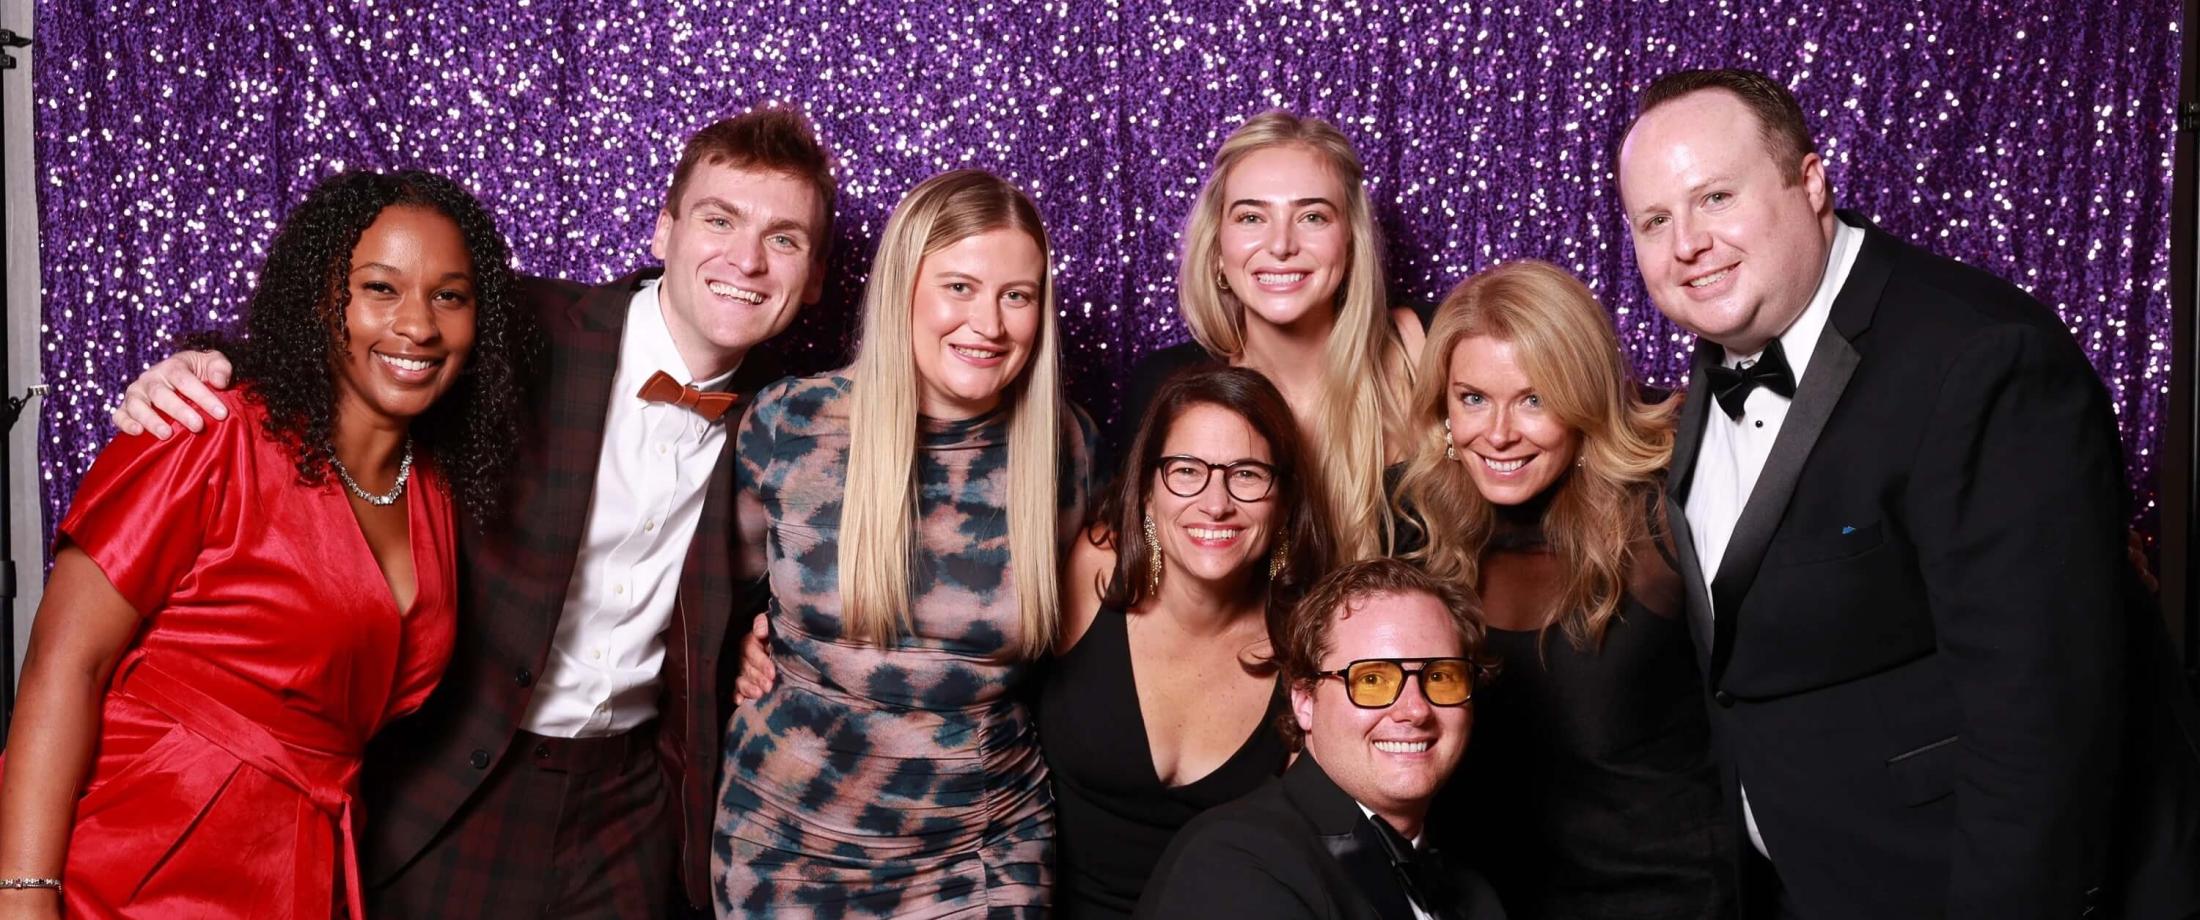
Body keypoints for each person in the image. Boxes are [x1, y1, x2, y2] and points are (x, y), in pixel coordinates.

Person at [105, 108, 838, 918]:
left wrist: (748, 637)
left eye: (785, 238)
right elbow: (376, 348)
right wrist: (212, 366)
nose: (747, 258)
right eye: (720, 219)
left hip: (631, 811)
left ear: (812, 277)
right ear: (664, 231)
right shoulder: (522, 328)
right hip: (455, 784)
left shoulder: (794, 426)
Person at [1617, 67, 2200, 918]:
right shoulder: (1717, 364)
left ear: (1811, 182)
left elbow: (2041, 726)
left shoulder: (1981, 360)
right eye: (1655, 221)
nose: (1687, 244)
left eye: (1715, 198)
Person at [0, 170, 531, 918]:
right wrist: (23, 898)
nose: (418, 325)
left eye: (450, 295)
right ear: (322, 299)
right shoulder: (206, 432)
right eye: (380, 287)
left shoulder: (437, 493)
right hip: (135, 862)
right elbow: (65, 664)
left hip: (303, 872)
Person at [715, 168, 1097, 917]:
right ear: (904, 289)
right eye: (959, 286)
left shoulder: (1066, 448)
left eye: (1016, 296)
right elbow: (706, 593)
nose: (988, 323)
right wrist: (728, 646)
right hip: (787, 844)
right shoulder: (790, 425)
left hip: (981, 853)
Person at [1395, 260, 1730, 918]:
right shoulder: (1416, 525)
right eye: (1472, 399)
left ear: (1582, 400)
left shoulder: (1662, 522)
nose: (1498, 433)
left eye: (1534, 399)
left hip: (1664, 900)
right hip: (1479, 902)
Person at [1040, 366, 1333, 917]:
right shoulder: (1089, 569)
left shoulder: (1307, 644)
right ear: (1148, 492)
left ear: (1285, 501)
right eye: (1186, 471)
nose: (1215, 502)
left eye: (1246, 474)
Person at [1118, 111, 1424, 561]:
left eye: (1313, 217)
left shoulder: (1430, 349)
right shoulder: (1167, 388)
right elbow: (1135, 561)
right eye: (1250, 217)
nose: (1281, 245)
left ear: (1351, 243)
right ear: (1218, 249)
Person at [1135, 558, 1507, 920]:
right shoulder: (1234, 861)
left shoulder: (1472, 893)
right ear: (1304, 701)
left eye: (1441, 677)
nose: (1415, 710)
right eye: (1373, 680)